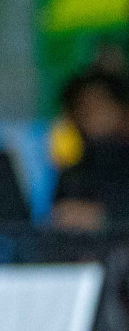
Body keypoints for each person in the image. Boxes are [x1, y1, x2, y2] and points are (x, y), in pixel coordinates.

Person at [54, 67, 129, 233]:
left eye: (99, 105)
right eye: (83, 108)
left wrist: (105, 217)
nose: (91, 115)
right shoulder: (75, 171)